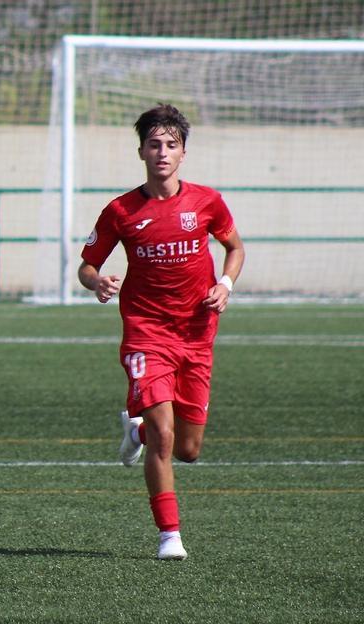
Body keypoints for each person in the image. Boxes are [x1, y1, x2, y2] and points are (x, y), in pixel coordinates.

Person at [78, 103, 244, 561]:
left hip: (197, 334)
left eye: (171, 145)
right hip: (146, 333)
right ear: (142, 152)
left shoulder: (207, 202)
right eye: (155, 144)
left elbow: (234, 247)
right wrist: (99, 282)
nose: (162, 152)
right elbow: (87, 265)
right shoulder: (121, 210)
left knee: (188, 450)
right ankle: (169, 535)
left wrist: (225, 285)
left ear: (183, 153)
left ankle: (137, 434)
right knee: (165, 436)